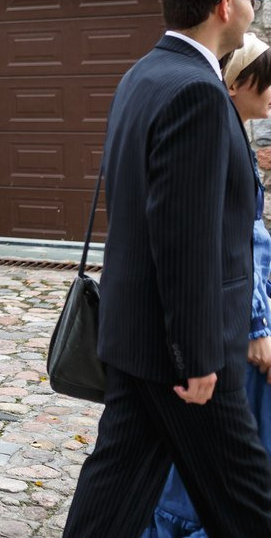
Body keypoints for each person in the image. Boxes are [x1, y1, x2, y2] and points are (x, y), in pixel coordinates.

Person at [64, 0, 271, 536]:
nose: (254, 10)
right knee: (245, 501)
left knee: (114, 492)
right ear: (225, 6)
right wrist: (197, 354)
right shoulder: (196, 92)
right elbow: (185, 237)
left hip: (135, 336)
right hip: (186, 354)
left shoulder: (143, 73)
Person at [144, 31, 271, 537]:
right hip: (232, 317)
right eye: (267, 82)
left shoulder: (235, 134)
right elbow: (230, 241)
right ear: (237, 83)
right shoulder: (218, 132)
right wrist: (257, 325)